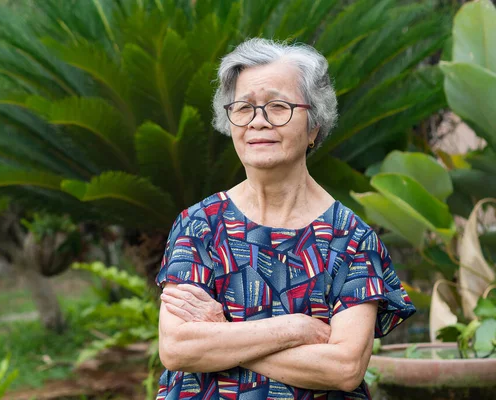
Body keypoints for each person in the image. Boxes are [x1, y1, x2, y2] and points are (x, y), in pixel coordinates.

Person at [156, 38, 415, 400]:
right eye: (244, 108)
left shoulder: (351, 239)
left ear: (314, 126)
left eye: (278, 107)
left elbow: (343, 368)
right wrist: (295, 329)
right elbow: (178, 348)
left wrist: (222, 332)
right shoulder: (199, 224)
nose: (258, 122)